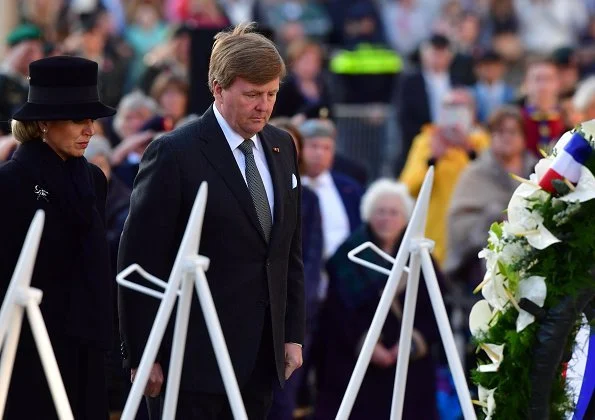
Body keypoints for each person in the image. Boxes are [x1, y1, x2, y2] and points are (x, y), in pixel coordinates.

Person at [118, 23, 305, 419]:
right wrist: (143, 353)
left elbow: (288, 251)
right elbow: (139, 261)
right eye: (252, 94)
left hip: (259, 360)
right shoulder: (174, 153)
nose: (264, 105)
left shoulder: (282, 144)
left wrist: (291, 335)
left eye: (271, 94)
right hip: (189, 361)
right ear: (218, 89)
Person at [0, 56, 116, 419]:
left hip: (87, 345)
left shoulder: (93, 179)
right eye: (79, 119)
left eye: (92, 120)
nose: (90, 131)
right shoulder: (9, 184)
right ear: (44, 122)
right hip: (30, 349)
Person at [314, 179, 440, 420]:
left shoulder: (420, 257)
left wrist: (409, 345)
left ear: (405, 218)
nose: (387, 218)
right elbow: (336, 310)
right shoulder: (350, 253)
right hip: (358, 364)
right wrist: (368, 344)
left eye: (394, 212)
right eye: (380, 212)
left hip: (408, 366)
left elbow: (434, 310)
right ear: (368, 215)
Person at [399, 88, 490, 267]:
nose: (454, 114)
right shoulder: (426, 141)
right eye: (449, 108)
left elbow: (492, 178)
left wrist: (469, 150)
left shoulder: (482, 141)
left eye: (460, 108)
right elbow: (408, 188)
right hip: (434, 235)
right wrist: (433, 159)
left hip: (472, 235)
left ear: (472, 112)